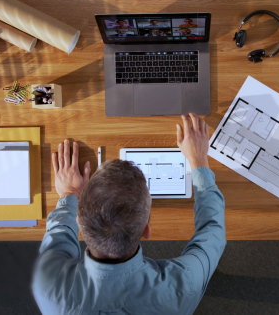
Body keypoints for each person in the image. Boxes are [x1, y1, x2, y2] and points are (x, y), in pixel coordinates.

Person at [32, 113, 226, 314]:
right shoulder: (185, 286)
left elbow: (58, 240)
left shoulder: (48, 287)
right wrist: (199, 161)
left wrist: (70, 193)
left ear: (79, 223)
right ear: (147, 230)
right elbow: (212, 233)